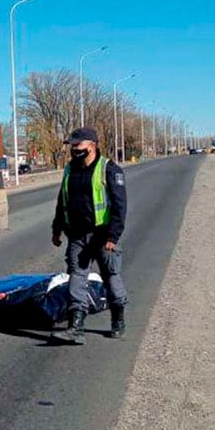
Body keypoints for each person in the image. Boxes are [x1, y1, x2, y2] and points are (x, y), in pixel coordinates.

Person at [50, 127, 129, 345]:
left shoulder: (109, 169)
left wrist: (113, 235)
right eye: (72, 146)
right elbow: (61, 201)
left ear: (91, 145)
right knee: (77, 275)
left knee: (111, 276)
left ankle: (118, 319)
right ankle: (76, 327)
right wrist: (56, 229)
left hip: (103, 235)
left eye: (78, 145)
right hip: (77, 234)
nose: (74, 150)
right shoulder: (70, 170)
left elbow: (120, 206)